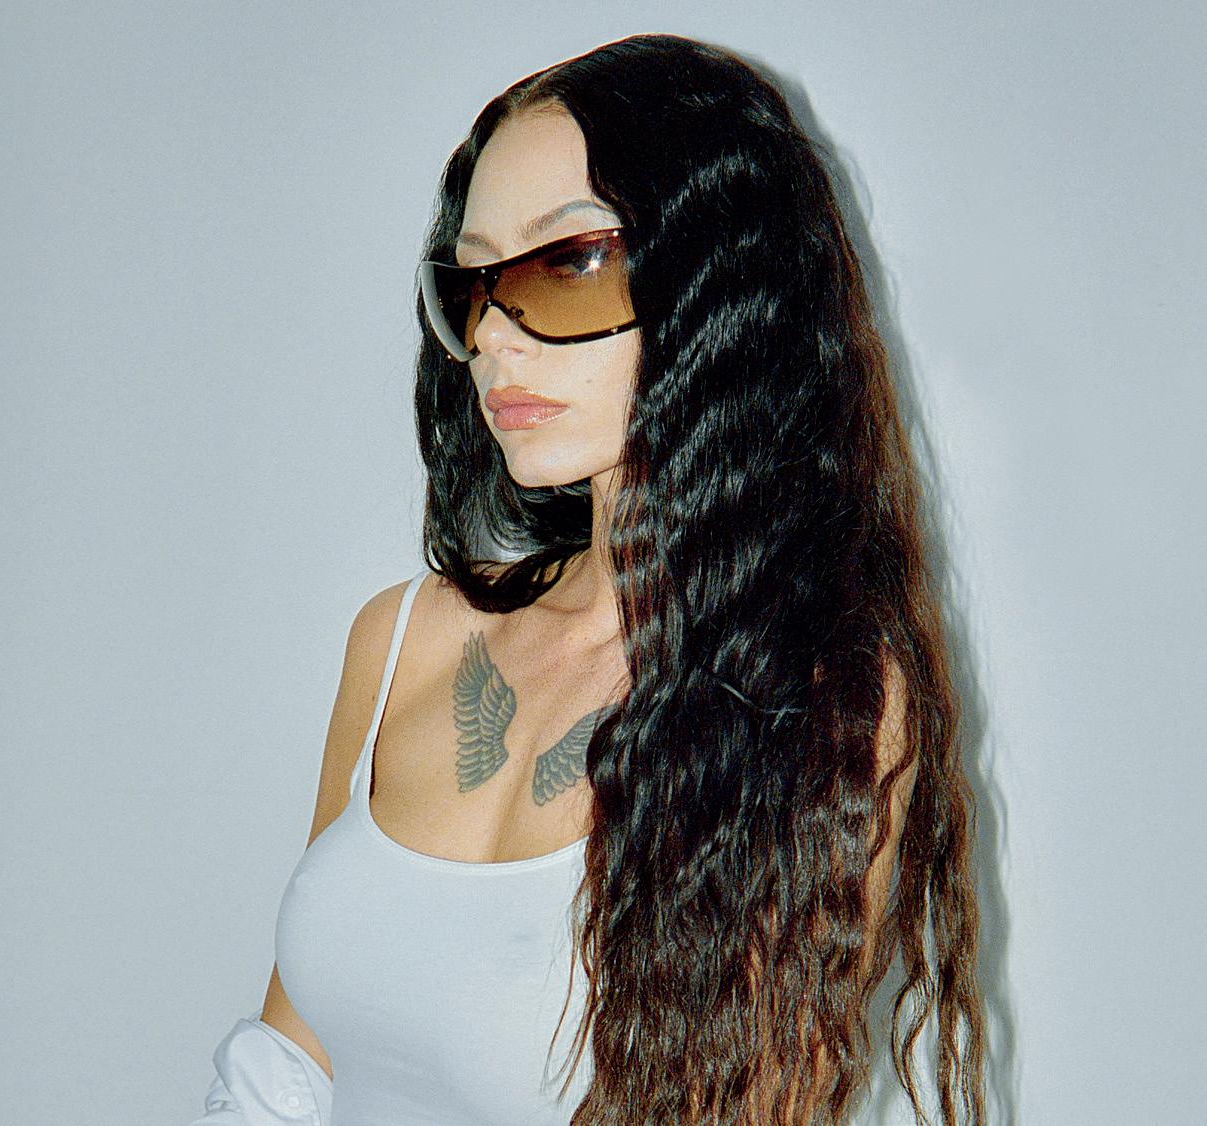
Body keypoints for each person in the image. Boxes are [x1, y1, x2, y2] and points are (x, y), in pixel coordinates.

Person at [190, 32, 986, 1126]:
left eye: (566, 265)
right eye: (472, 282)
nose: (493, 337)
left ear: (715, 285)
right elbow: (287, 1066)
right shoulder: (401, 638)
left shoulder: (815, 704)